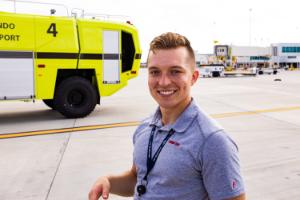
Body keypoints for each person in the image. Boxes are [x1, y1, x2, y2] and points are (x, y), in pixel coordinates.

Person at [89, 32, 246, 200]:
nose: (163, 82)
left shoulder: (212, 141)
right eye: (155, 72)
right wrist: (108, 181)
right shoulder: (145, 127)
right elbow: (138, 179)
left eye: (175, 71)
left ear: (193, 77)